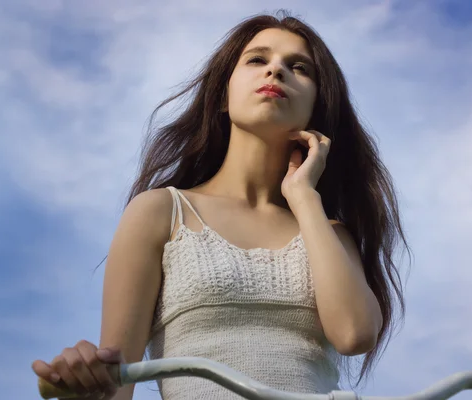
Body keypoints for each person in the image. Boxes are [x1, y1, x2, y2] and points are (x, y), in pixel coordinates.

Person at [32, 11, 409, 400]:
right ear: (223, 97)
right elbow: (116, 384)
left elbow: (354, 334)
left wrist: (304, 197)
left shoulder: (328, 233)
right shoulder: (161, 212)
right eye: (257, 60)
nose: (275, 71)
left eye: (299, 67)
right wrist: (87, 385)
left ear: (317, 107)